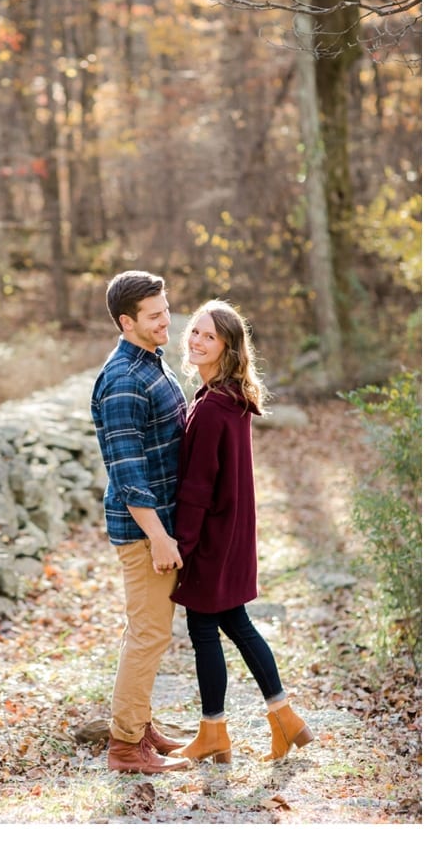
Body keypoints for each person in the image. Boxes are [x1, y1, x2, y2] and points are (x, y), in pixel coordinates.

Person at [167, 300, 315, 764]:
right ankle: (284, 719)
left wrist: (181, 546)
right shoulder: (228, 397)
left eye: (208, 336)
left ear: (227, 347)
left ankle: (214, 732)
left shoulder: (214, 406)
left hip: (211, 537)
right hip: (231, 534)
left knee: (204, 629)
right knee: (236, 623)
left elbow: (196, 487)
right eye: (194, 331)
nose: (196, 341)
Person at [89, 270, 190, 774]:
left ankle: (140, 724)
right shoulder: (124, 381)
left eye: (166, 309)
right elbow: (128, 475)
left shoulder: (149, 359)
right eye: (154, 316)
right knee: (149, 634)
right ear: (126, 321)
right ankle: (125, 747)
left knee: (148, 630)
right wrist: (158, 538)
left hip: (165, 522)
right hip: (146, 531)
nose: (166, 321)